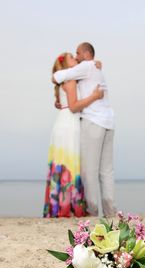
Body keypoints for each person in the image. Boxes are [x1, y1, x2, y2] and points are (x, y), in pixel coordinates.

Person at [53, 42, 116, 217]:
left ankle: (93, 212)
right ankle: (110, 212)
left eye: (78, 53)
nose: (77, 56)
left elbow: (58, 76)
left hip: (93, 122)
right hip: (109, 122)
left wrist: (56, 75)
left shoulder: (86, 67)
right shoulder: (94, 69)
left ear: (87, 54)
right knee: (107, 171)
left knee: (89, 171)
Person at [43, 52, 104, 218]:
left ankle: (59, 206)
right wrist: (94, 96)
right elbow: (74, 107)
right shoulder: (70, 81)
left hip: (63, 121)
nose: (75, 58)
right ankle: (67, 208)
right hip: (69, 123)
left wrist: (95, 64)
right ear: (65, 65)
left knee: (64, 162)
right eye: (72, 57)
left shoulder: (68, 79)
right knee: (71, 162)